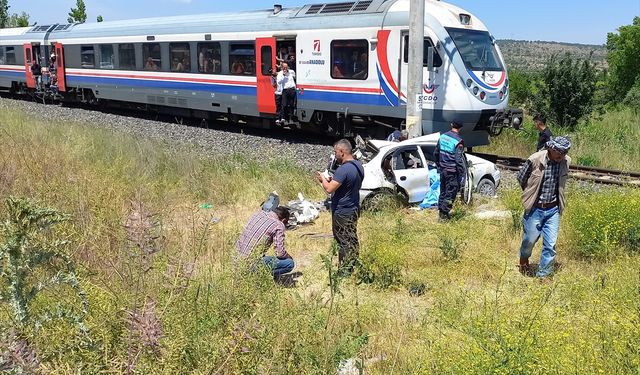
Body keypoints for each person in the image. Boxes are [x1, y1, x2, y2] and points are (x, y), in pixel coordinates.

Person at [517, 136, 572, 279]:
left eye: (565, 152)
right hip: (535, 208)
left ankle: (544, 275)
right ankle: (523, 259)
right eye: (560, 152)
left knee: (550, 244)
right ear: (551, 149)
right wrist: (530, 193)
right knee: (529, 240)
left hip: (553, 209)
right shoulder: (535, 159)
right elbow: (521, 177)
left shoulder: (566, 162)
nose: (562, 155)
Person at [316, 139, 365, 273]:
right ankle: (354, 263)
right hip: (354, 208)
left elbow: (329, 189)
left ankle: (344, 271)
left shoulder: (343, 169)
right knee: (352, 237)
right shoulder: (358, 166)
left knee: (342, 240)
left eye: (335, 152)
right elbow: (348, 184)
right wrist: (334, 181)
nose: (335, 154)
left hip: (342, 211)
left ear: (342, 152)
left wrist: (323, 180)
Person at [236, 206, 295, 277]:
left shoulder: (257, 215)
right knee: (289, 263)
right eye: (286, 223)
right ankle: (259, 277)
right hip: (249, 264)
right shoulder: (278, 225)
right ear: (284, 220)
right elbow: (280, 254)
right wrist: (289, 257)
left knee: (261, 254)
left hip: (236, 260)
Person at [434, 121, 467, 220]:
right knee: (451, 192)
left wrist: (439, 165)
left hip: (443, 169)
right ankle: (444, 215)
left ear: (451, 125)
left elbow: (436, 152)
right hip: (452, 171)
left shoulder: (442, 137)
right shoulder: (458, 141)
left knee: (443, 191)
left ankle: (441, 212)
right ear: (460, 128)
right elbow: (458, 159)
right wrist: (462, 173)